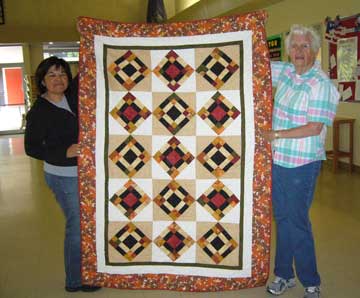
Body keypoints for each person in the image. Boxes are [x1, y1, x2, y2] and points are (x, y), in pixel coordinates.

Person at [263, 25, 339, 298]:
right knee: (282, 218)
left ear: (315, 51)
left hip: (303, 164)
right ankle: (284, 274)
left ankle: (311, 281)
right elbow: (255, 63)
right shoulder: (286, 72)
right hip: (279, 159)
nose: (297, 51)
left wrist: (276, 134)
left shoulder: (321, 84)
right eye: (293, 46)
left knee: (296, 221)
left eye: (304, 46)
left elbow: (314, 127)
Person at [24, 56, 100, 293]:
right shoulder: (39, 111)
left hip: (86, 172)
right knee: (77, 226)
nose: (59, 79)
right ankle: (75, 281)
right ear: (43, 81)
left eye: (62, 74)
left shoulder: (72, 97)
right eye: (52, 75)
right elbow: (32, 147)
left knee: (90, 224)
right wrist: (64, 152)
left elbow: (90, 67)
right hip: (62, 175)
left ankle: (89, 272)